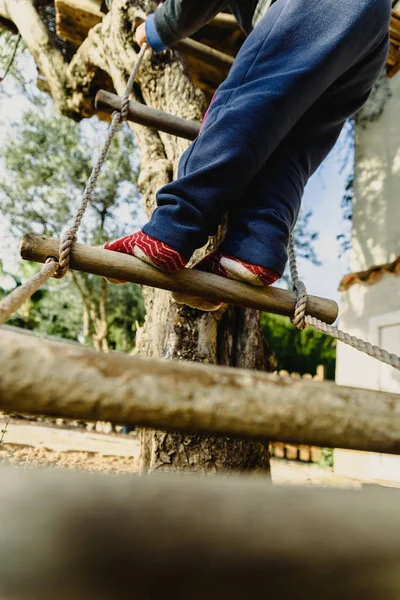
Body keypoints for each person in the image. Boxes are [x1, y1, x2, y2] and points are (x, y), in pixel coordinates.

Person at [105, 0, 391, 310]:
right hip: (372, 36)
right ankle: (255, 244)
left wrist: (158, 27)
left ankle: (173, 227)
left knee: (244, 101)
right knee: (295, 146)